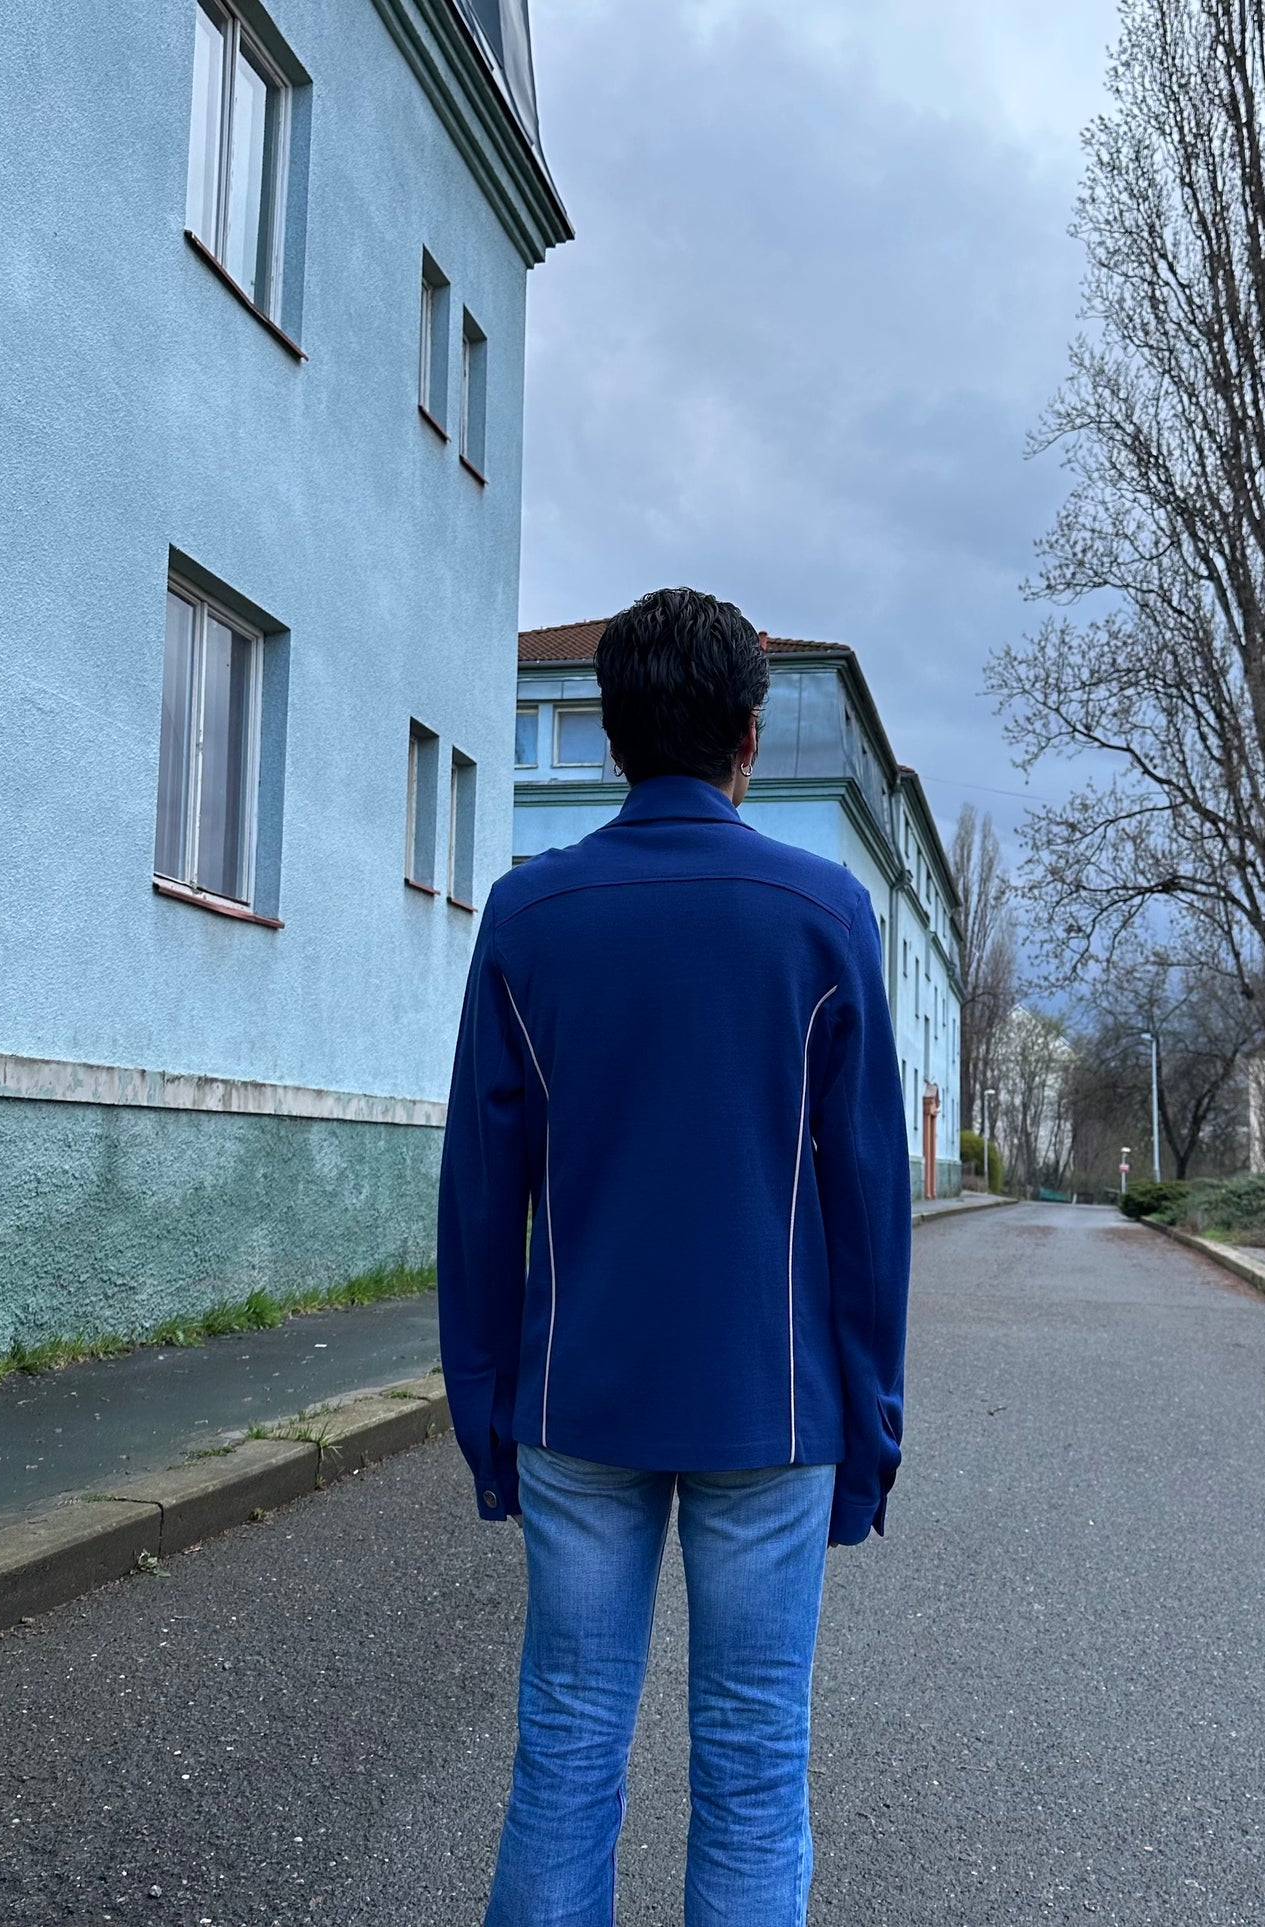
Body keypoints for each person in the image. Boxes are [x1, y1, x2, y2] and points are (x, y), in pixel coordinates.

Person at [438, 586, 911, 1927]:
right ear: (748, 738)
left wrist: (485, 1415)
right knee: (754, 1764)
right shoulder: (824, 916)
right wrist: (869, 1430)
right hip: (774, 1411)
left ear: (609, 735)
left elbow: (482, 1194)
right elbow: (867, 1202)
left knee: (566, 1747)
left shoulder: (528, 917)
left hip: (573, 1403)